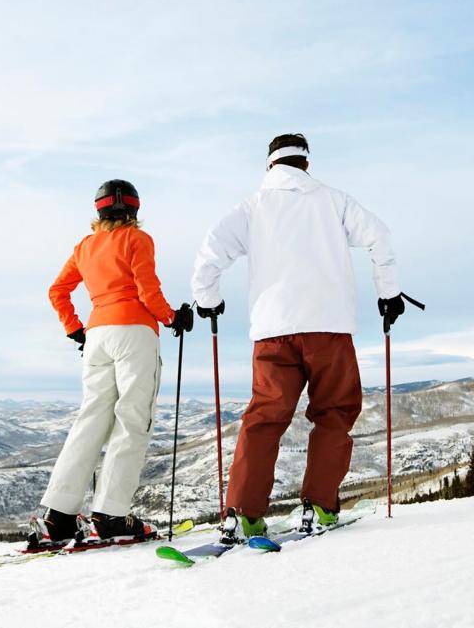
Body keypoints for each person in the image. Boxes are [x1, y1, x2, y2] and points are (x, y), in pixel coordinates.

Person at [191, 133, 407, 540]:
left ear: (270, 165)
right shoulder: (333, 200)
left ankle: (242, 512)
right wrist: (388, 292)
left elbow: (211, 250)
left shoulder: (252, 208)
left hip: (273, 331)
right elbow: (379, 235)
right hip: (329, 328)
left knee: (264, 419)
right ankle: (320, 506)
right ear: (306, 163)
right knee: (334, 413)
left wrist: (208, 299)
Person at [32, 179, 193, 547]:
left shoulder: (85, 247)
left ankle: (58, 516)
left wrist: (76, 330)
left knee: (91, 420)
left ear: (99, 210)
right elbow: (146, 290)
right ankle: (111, 516)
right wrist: (171, 318)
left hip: (98, 336)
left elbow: (57, 290)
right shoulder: (138, 240)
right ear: (134, 210)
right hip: (134, 333)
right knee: (133, 420)